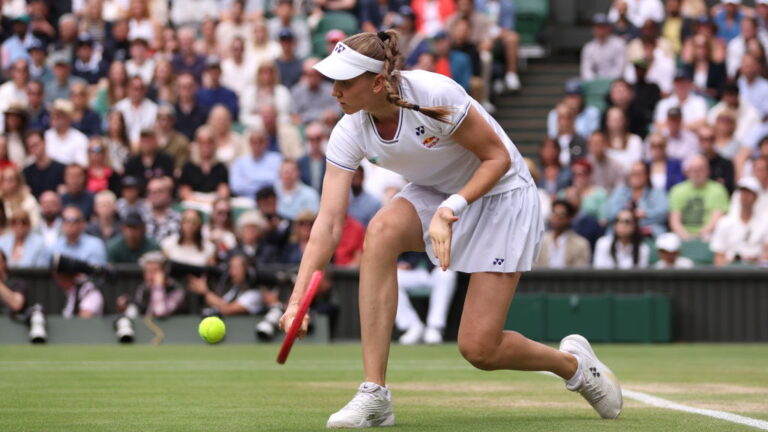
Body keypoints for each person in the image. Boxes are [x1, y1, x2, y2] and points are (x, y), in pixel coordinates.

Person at [278, 31, 623, 428]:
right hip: (437, 191)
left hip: (502, 194)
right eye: (333, 80)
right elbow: (329, 222)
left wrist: (451, 207)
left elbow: (497, 159)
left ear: (376, 83)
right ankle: (374, 394)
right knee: (381, 232)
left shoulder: (433, 93)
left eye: (345, 81)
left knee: (479, 349)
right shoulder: (349, 130)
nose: (334, 91)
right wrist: (295, 300)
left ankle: (575, 367)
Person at [394, 251, 457, 345]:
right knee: (392, 277)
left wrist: (444, 260)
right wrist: (400, 262)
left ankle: (435, 327)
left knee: (447, 273)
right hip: (411, 270)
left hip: (435, 270)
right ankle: (412, 326)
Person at [668, 154, 730, 241]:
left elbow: (717, 218)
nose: (696, 173)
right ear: (687, 172)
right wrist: (686, 237)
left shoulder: (718, 190)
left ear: (708, 171)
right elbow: (675, 221)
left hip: (710, 235)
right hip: (682, 235)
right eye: (693, 169)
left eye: (700, 169)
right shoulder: (677, 190)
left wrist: (700, 235)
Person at [710, 176, 768, 266]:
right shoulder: (724, 223)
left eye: (749, 193)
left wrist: (754, 260)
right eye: (742, 192)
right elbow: (718, 259)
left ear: (756, 197)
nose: (745, 196)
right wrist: (733, 262)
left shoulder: (765, 223)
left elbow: (766, 253)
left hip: (758, 274)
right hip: (731, 273)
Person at [606, 161, 669, 237]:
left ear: (647, 175)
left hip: (648, 231)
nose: (635, 177)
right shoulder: (621, 191)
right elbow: (610, 214)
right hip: (623, 231)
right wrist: (626, 213)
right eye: (633, 173)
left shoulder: (656, 192)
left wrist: (645, 214)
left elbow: (663, 213)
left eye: (639, 174)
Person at [535, 199, 592, 268]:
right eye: (554, 214)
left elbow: (580, 273)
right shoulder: (540, 242)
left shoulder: (581, 244)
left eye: (561, 215)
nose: (557, 218)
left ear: (569, 218)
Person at [581, 13, 627, 81]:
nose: (600, 29)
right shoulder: (588, 47)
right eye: (598, 26)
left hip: (615, 82)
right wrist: (596, 81)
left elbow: (619, 68)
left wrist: (606, 81)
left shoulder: (619, 43)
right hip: (594, 83)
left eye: (603, 26)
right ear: (593, 29)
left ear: (608, 28)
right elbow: (586, 71)